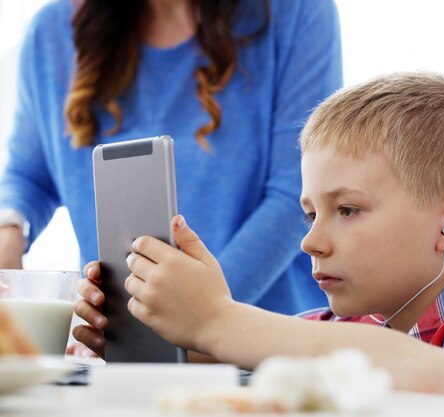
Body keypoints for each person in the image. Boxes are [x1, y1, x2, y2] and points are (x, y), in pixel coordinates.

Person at [74, 72, 444, 406]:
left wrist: (219, 319)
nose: (310, 242)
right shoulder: (353, 328)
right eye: (310, 214)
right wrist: (154, 329)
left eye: (347, 209)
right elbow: (259, 352)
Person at [0, 0, 342, 317]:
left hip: (265, 338)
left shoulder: (297, 11)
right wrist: (10, 227)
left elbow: (295, 187)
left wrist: (199, 317)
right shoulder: (52, 32)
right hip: (129, 335)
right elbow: (30, 176)